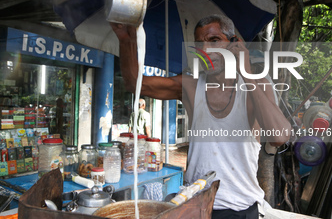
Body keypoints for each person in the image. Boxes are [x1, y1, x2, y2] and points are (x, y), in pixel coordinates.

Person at [110, 14, 291, 218]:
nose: (205, 51)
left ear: (234, 44)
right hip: (196, 204)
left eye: (214, 41)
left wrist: (246, 71)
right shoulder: (191, 84)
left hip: (240, 207)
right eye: (199, 44)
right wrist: (126, 40)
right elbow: (134, 83)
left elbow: (278, 137)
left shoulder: (256, 84)